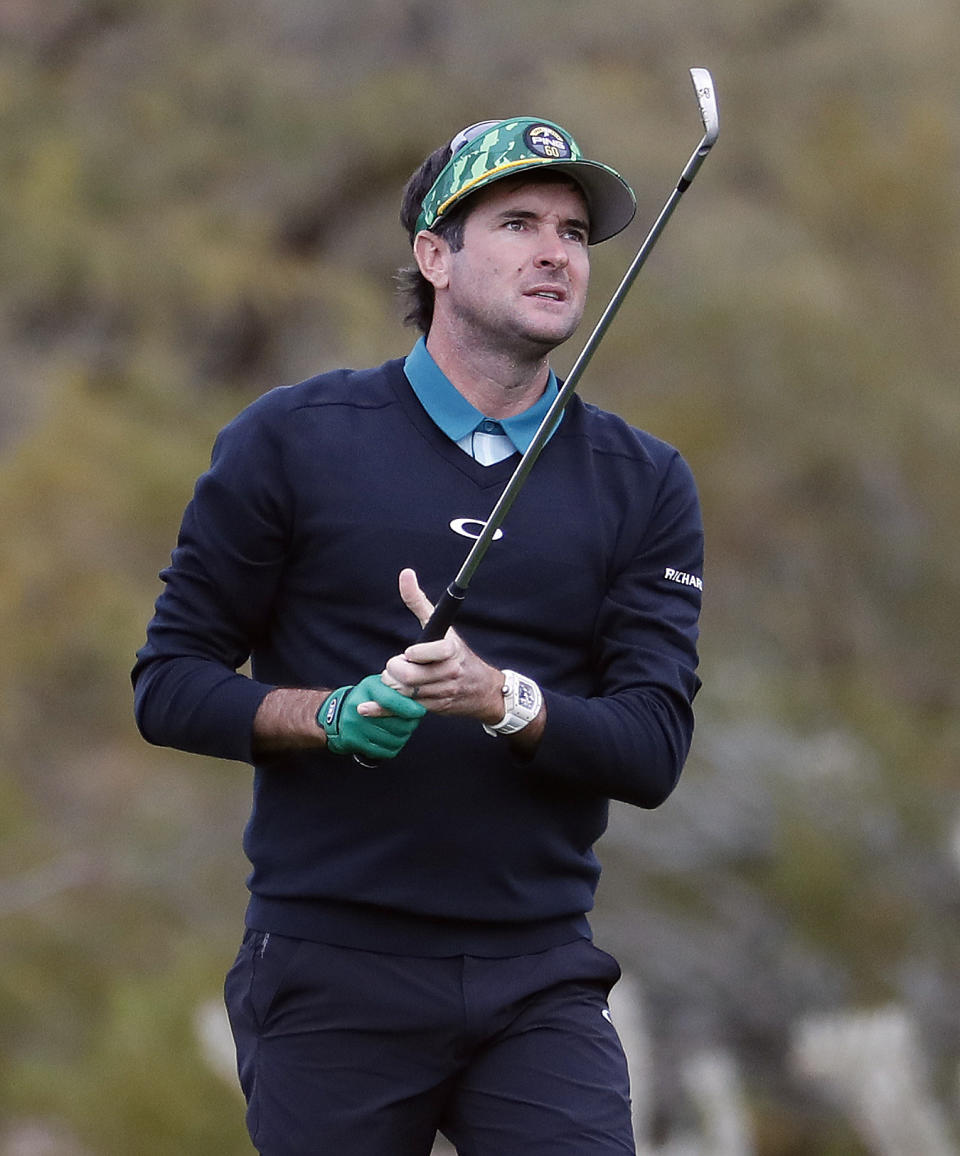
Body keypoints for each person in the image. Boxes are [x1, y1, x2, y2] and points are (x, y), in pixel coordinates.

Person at [132, 115, 703, 1156]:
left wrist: (504, 699)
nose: (555, 252)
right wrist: (330, 714)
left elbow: (653, 744)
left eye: (574, 233)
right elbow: (167, 683)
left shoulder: (643, 479)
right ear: (434, 256)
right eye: (518, 221)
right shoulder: (290, 442)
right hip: (331, 965)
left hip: (539, 972)